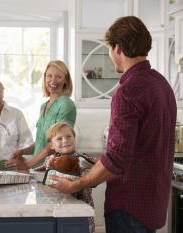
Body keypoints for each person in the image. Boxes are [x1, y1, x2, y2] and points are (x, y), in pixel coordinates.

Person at [48, 16, 177, 233]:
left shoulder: (127, 91)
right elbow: (141, 147)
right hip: (153, 202)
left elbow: (117, 159)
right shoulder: (161, 84)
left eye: (109, 48)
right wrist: (97, 165)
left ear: (118, 48)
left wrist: (77, 184)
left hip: (129, 205)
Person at [7, 60, 76, 168]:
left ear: (65, 81)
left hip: (54, 167)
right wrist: (22, 151)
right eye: (49, 76)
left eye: (58, 77)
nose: (53, 80)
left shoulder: (66, 104)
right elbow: (41, 142)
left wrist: (28, 164)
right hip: (38, 169)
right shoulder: (43, 106)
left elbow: (59, 142)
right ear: (44, 79)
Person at [45, 122, 96, 233]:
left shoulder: (85, 158)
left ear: (74, 138)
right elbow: (46, 179)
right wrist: (49, 165)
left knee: (85, 228)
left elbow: (94, 178)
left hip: (83, 204)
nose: (65, 140)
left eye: (69, 136)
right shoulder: (50, 160)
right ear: (52, 146)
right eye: (59, 138)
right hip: (58, 206)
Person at [0, 77, 33, 161]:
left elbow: (27, 141)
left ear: (3, 91)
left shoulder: (16, 114)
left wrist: (20, 158)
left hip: (12, 166)